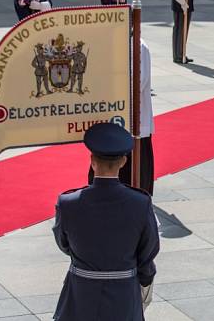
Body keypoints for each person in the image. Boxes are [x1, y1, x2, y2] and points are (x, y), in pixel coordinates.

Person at [53, 123, 159, 320]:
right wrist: (144, 278)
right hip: (123, 296)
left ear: (92, 161)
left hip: (81, 294)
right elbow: (148, 251)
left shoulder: (68, 202)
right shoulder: (140, 202)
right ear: (123, 162)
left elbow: (64, 244)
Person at [121, 39, 155, 194]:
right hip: (118, 115)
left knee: (136, 165)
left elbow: (138, 82)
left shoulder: (138, 46)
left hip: (134, 115)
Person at [170, 0, 200, 64]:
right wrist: (182, 2)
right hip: (180, 2)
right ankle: (177, 55)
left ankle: (182, 53)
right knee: (179, 29)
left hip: (189, 2)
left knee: (185, 29)